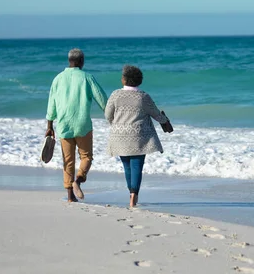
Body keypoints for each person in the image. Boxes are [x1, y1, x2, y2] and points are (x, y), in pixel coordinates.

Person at [45, 48, 108, 202]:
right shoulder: (87, 77)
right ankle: (78, 181)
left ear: (69, 61)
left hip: (63, 125)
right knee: (86, 157)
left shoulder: (58, 79)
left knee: (68, 160)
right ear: (81, 61)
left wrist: (49, 126)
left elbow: (51, 104)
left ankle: (70, 197)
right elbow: (101, 98)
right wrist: (110, 113)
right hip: (83, 125)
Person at [105, 65, 169, 208]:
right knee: (136, 166)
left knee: (126, 166)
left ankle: (130, 192)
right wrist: (165, 122)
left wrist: (116, 125)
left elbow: (108, 115)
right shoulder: (143, 97)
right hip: (139, 136)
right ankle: (134, 194)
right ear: (139, 81)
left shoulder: (115, 94)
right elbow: (156, 114)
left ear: (124, 80)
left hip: (119, 135)